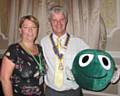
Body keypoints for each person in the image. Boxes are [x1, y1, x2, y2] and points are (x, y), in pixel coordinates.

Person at [41, 6, 89, 96]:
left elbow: (93, 62)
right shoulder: (43, 42)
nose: (58, 23)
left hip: (73, 91)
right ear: (50, 22)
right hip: (51, 91)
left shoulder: (78, 42)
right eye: (54, 20)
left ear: (66, 20)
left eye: (61, 19)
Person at [1, 15, 46, 96]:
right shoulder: (14, 50)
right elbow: (4, 79)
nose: (30, 30)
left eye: (34, 27)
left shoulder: (40, 49)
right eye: (26, 27)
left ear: (37, 30)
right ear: (20, 30)